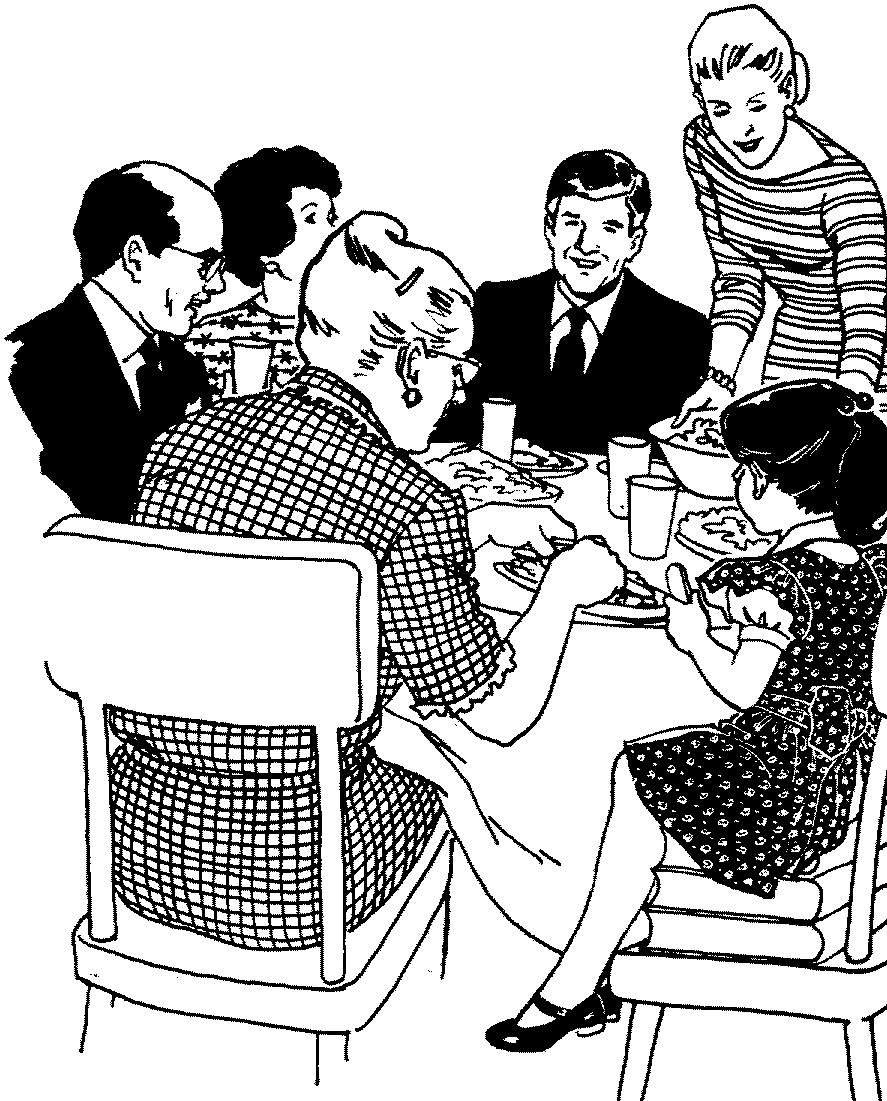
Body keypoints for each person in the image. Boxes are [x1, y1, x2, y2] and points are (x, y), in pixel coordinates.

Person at [116, 210, 625, 951]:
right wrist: (566, 587)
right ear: (412, 366)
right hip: (306, 877)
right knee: (461, 758)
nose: (458, 393)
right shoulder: (412, 503)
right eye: (457, 367)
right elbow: (498, 711)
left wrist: (466, 542)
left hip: (139, 846)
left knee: (402, 724)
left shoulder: (174, 445)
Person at [484, 379, 887, 1052]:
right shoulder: (883, 568)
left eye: (747, 473)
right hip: (836, 786)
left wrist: (692, 634)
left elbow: (742, 685)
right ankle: (590, 966)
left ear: (773, 486)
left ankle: (573, 980)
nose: (740, 486)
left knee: (638, 773)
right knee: (654, 776)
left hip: (777, 805)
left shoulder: (782, 585)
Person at [673, 6, 887, 464]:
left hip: (868, 366)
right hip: (788, 353)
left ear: (789, 91)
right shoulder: (702, 148)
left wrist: (854, 395)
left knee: (861, 511)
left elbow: (865, 304)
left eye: (757, 104)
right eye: (720, 108)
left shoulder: (845, 184)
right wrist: (719, 377)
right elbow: (736, 275)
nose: (739, 127)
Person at [434, 149, 711, 453]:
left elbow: (676, 452)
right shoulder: (496, 307)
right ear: (549, 229)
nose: (585, 245)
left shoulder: (680, 331)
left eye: (609, 228)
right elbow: (448, 424)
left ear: (634, 241)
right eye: (572, 222)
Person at [8, 162, 222, 521]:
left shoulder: (184, 369)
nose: (213, 285)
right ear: (135, 257)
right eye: (205, 265)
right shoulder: (28, 362)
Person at [189, 146, 342, 395]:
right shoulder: (208, 337)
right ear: (264, 241)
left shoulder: (351, 328)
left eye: (331, 219)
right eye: (311, 218)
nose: (332, 233)